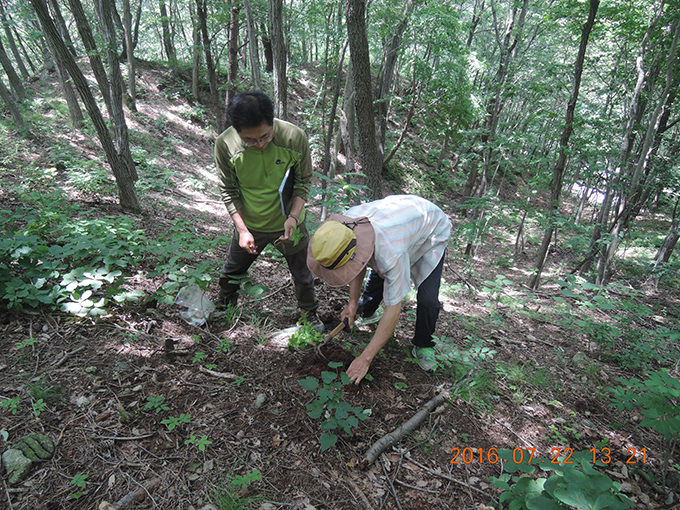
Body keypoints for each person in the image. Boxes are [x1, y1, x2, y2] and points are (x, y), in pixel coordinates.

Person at [307, 195, 452, 384]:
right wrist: (352, 303)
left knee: (428, 298)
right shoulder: (344, 226)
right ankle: (367, 312)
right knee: (380, 268)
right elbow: (356, 263)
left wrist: (365, 358)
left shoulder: (391, 252)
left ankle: (423, 343)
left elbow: (394, 309)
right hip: (399, 225)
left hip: (431, 229)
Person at [215, 91, 322, 331]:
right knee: (231, 271)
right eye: (250, 141)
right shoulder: (225, 144)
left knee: (303, 274)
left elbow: (303, 182)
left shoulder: (294, 138)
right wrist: (242, 230)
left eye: (265, 136)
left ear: (272, 123)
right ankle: (224, 309)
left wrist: (293, 217)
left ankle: (309, 314)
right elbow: (228, 189)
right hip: (250, 223)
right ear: (237, 132)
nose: (260, 144)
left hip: (289, 222)